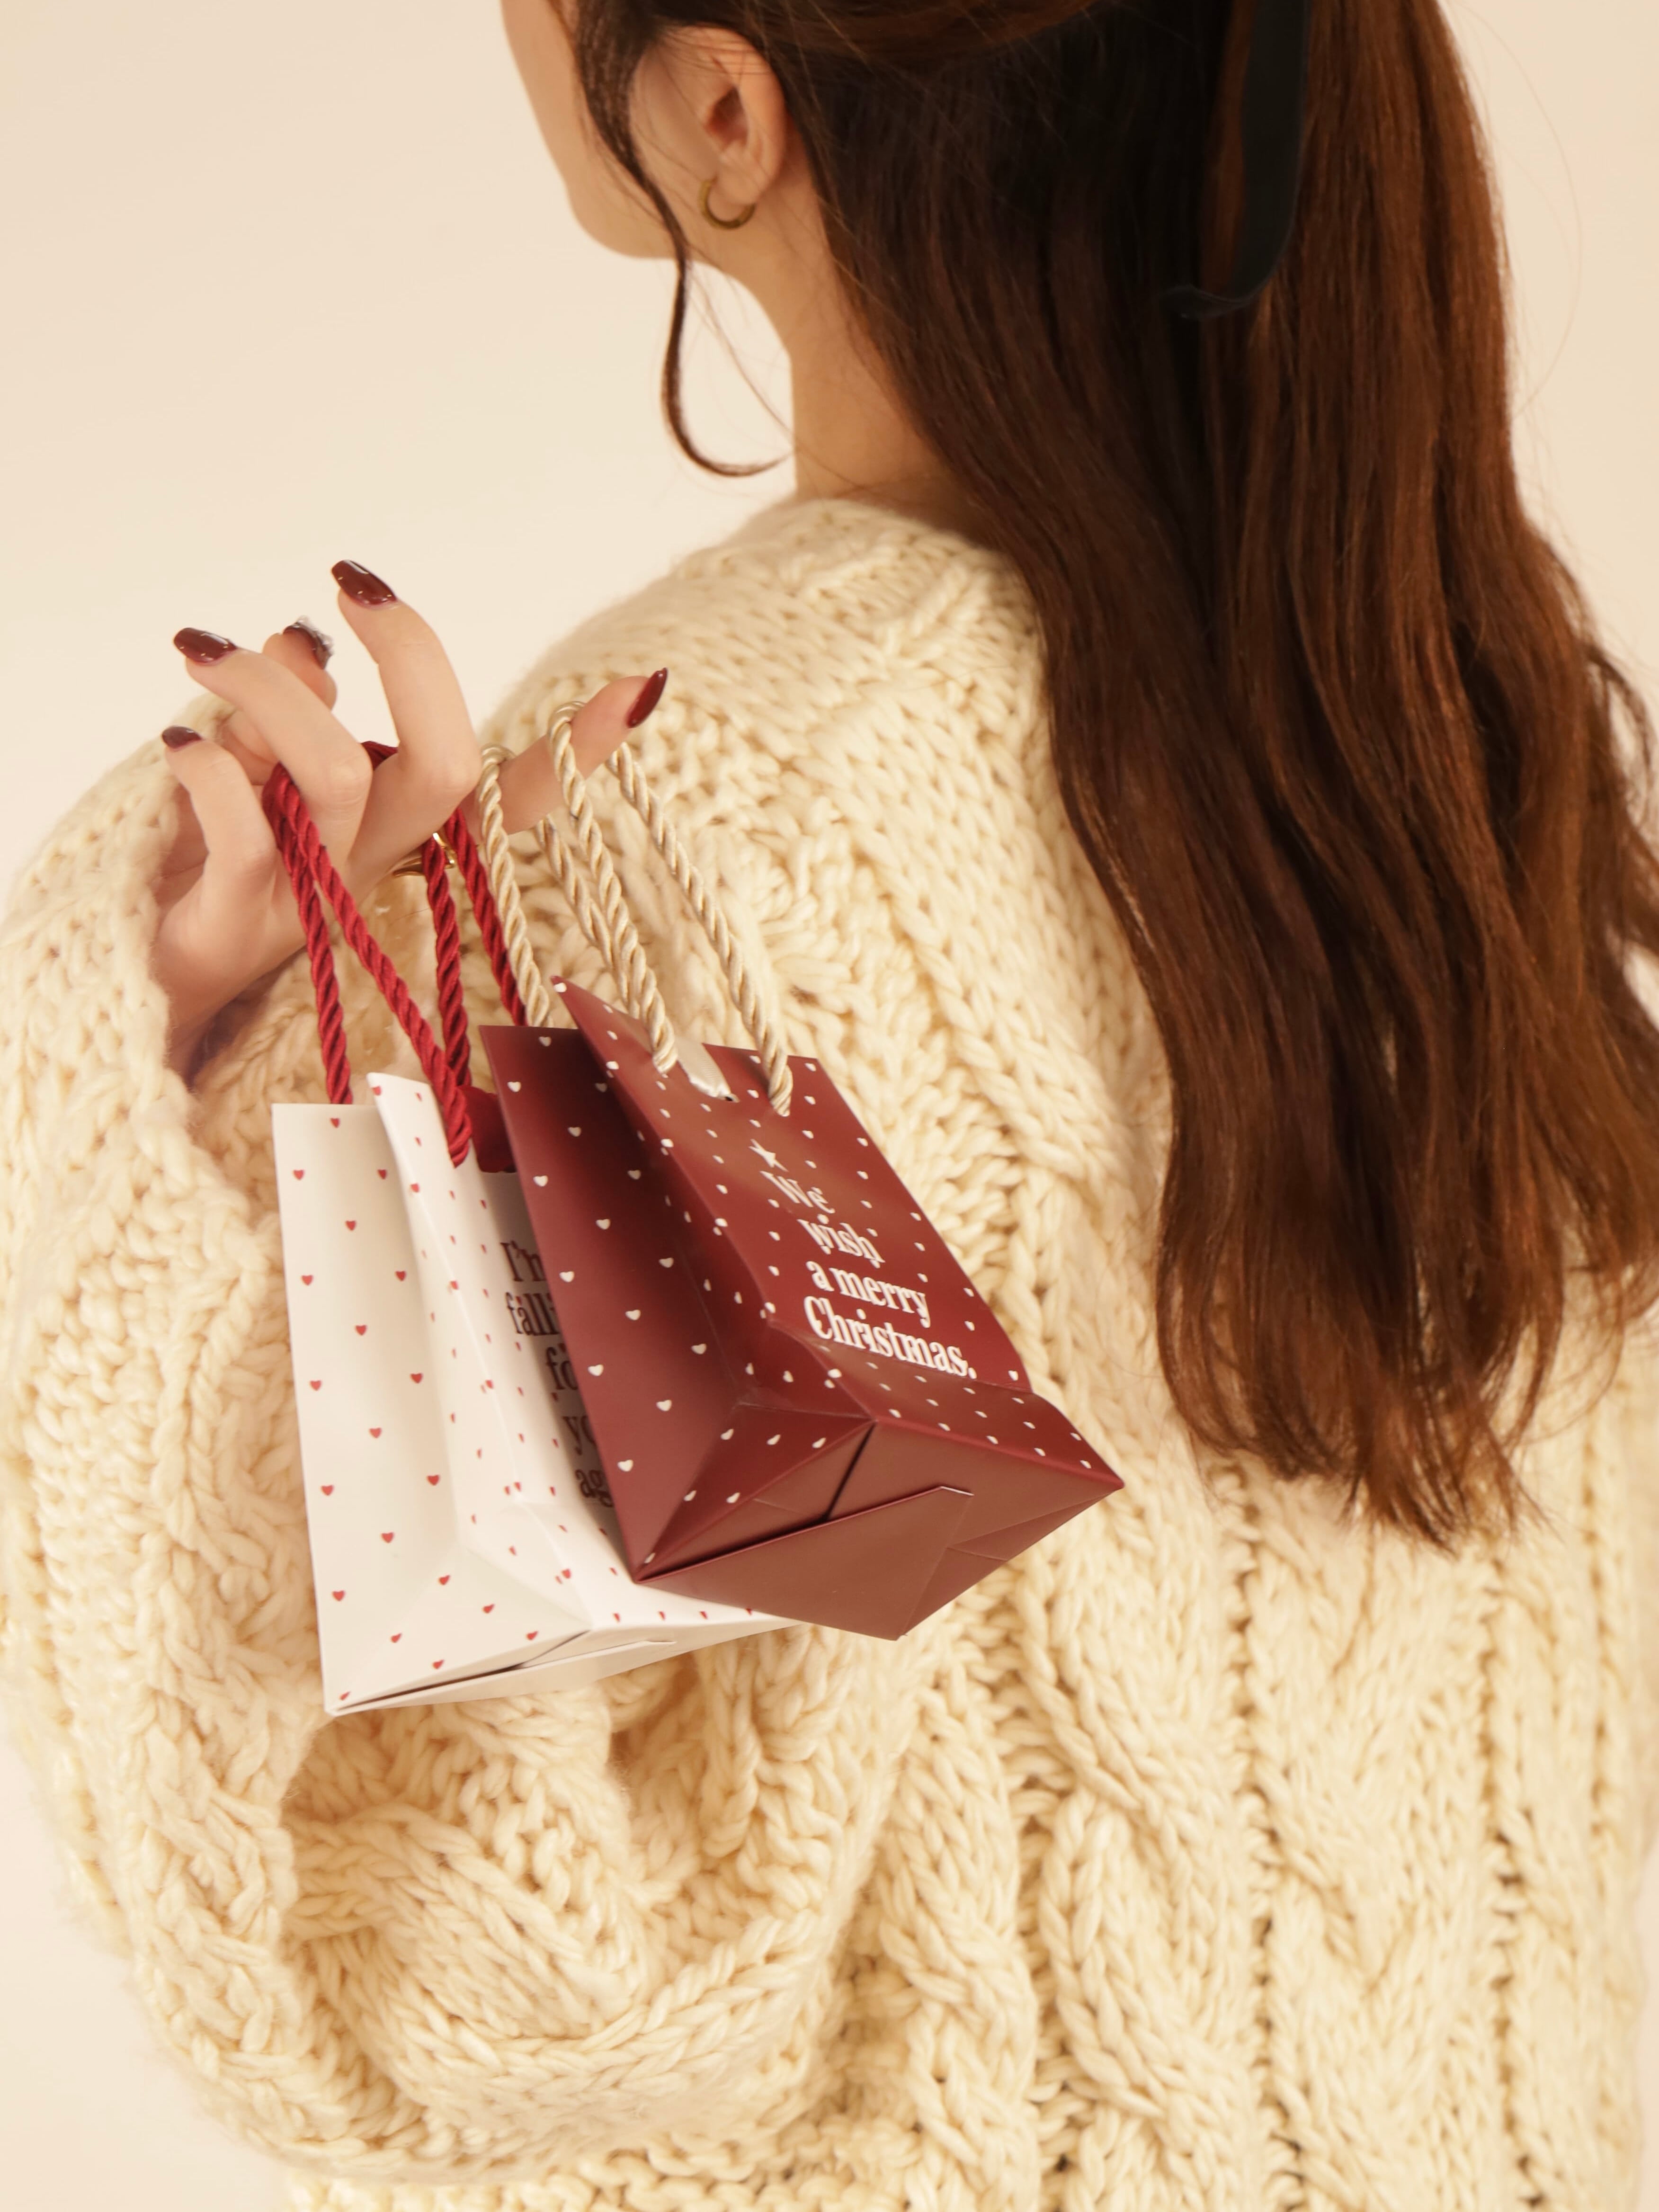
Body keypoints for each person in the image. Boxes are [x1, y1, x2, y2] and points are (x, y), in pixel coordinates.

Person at [3, 2, 1658, 2208]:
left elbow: (462, 1977)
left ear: (723, 110)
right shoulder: (1453, 787)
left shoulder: (696, 813)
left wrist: (141, 1054)